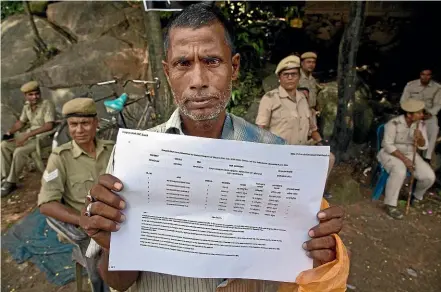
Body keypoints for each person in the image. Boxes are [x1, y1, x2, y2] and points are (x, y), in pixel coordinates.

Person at [79, 4, 348, 292]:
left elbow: (290, 275)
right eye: (183, 64)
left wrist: (318, 256)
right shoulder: (131, 159)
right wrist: (113, 244)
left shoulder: (275, 156)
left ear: (234, 68)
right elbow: (119, 282)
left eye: (211, 61)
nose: (198, 81)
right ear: (167, 72)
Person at [38, 98, 114, 292]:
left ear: (96, 123)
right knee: (101, 269)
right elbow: (46, 203)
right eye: (73, 124)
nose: (79, 130)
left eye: (85, 123)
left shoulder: (112, 149)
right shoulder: (60, 157)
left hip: (116, 218)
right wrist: (82, 220)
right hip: (88, 226)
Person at [255, 56, 335, 177]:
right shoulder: (270, 98)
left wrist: (321, 143)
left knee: (329, 158)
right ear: (279, 78)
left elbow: (313, 129)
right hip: (281, 152)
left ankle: (316, 191)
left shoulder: (303, 98)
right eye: (286, 74)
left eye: (294, 74)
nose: (290, 78)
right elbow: (260, 129)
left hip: (302, 149)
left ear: (299, 77)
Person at [378, 99, 435, 219]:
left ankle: (416, 197)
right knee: (400, 171)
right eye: (418, 113)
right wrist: (405, 160)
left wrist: (420, 138)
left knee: (429, 177)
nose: (421, 115)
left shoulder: (420, 124)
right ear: (409, 114)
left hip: (410, 153)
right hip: (390, 153)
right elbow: (388, 145)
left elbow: (423, 146)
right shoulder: (393, 123)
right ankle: (390, 205)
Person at [1, 81, 55, 196]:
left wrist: (26, 136)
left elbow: (49, 125)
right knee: (4, 145)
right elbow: (21, 122)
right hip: (29, 137)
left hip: (43, 137)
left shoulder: (47, 104)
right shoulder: (27, 106)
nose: (34, 97)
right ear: (25, 96)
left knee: (19, 151)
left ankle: (11, 182)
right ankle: (6, 178)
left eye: (36, 94)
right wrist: (10, 132)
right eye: (31, 95)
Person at [400, 68, 441, 164]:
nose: (425, 77)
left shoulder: (437, 88)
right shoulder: (411, 85)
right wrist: (411, 112)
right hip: (413, 113)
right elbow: (403, 101)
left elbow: (438, 104)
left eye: (428, 75)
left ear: (431, 76)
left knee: (434, 129)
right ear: (420, 75)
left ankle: (427, 157)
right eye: (423, 74)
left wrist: (430, 113)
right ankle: (406, 155)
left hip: (428, 114)